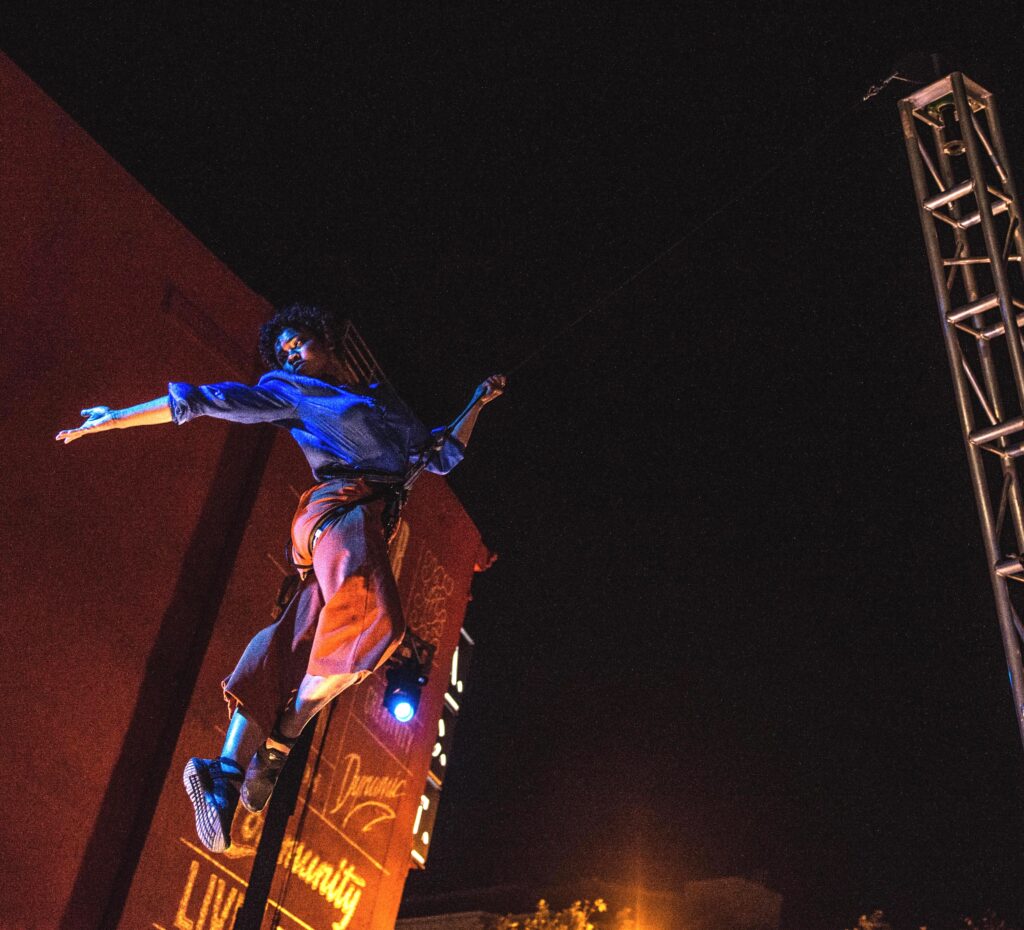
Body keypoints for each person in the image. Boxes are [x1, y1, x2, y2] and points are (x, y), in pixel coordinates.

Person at [56, 304, 505, 853]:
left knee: (294, 641)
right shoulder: (289, 391)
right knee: (375, 623)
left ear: (326, 341)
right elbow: (204, 400)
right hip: (337, 511)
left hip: (364, 524)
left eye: (299, 343)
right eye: (284, 350)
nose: (291, 353)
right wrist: (119, 416)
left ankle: (222, 771)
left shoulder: (381, 402)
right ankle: (284, 738)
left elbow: (440, 455)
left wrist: (477, 403)